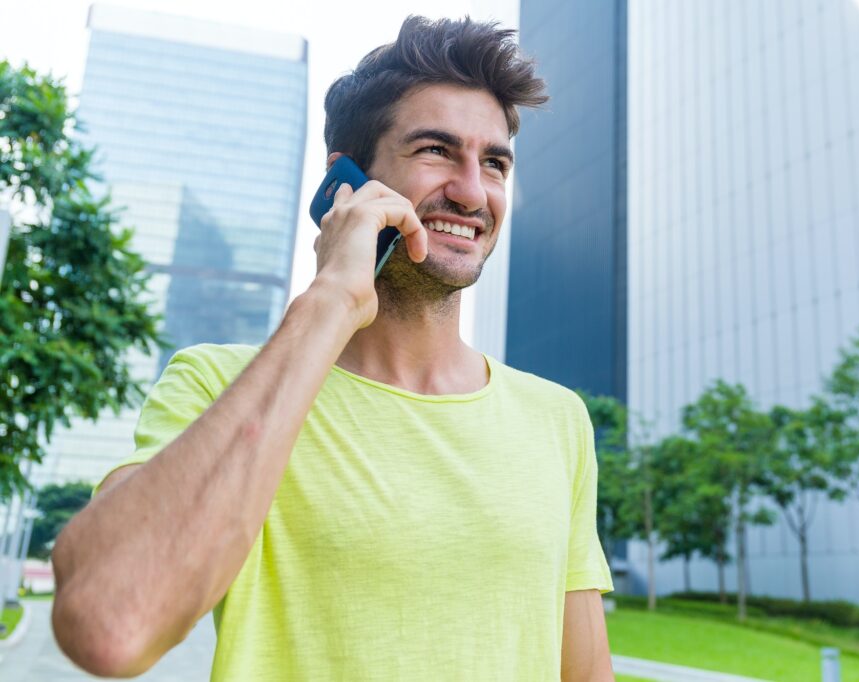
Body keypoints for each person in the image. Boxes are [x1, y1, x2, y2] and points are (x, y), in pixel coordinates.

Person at [51, 15, 614, 681]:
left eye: (494, 162)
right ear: (345, 180)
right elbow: (109, 623)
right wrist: (334, 297)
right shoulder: (217, 384)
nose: (471, 191)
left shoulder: (558, 420)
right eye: (436, 150)